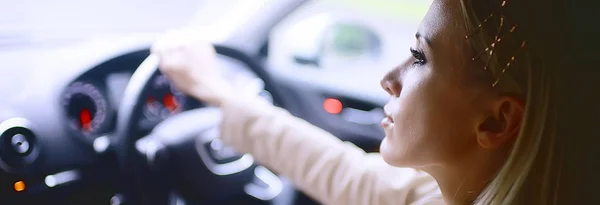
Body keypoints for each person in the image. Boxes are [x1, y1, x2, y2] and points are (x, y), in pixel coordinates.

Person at [152, 0, 574, 204]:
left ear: (497, 123)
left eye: (420, 58)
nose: (388, 80)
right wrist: (221, 93)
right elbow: (350, 175)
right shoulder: (443, 193)